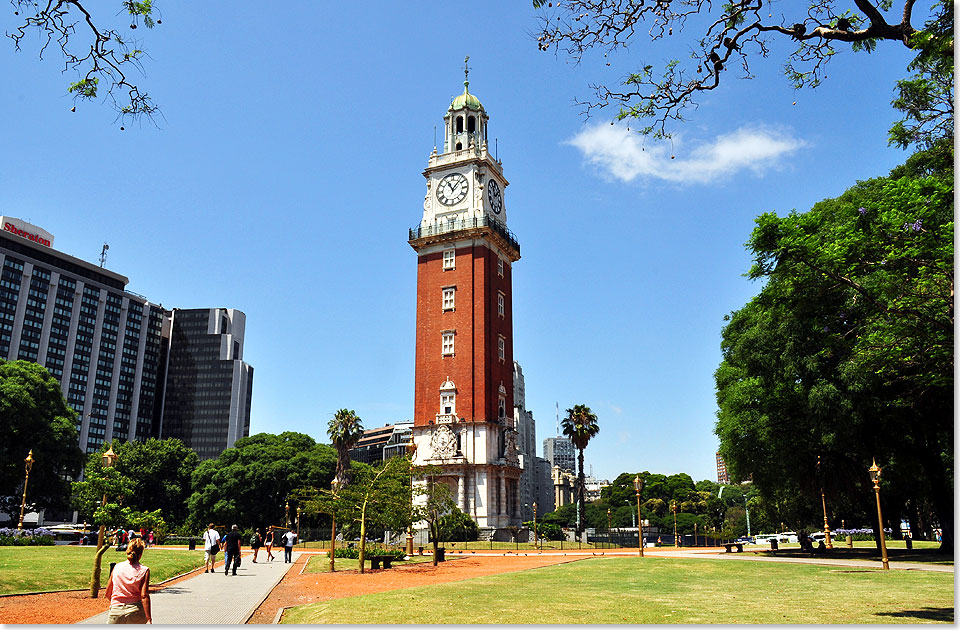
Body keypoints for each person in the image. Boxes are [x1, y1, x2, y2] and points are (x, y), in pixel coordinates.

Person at [105, 537, 152, 624]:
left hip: (116, 611)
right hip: (135, 610)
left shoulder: (117, 567)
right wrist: (149, 618)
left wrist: (117, 605)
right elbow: (144, 596)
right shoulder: (144, 570)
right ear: (141, 554)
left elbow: (108, 593)